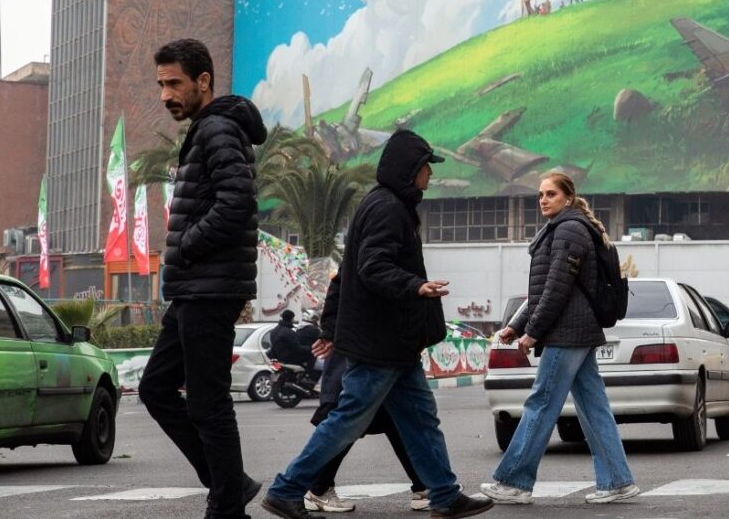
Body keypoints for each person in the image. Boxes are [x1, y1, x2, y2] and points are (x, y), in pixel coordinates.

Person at [261, 130, 492, 519]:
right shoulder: (387, 207)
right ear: (409, 170)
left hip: (394, 344)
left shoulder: (387, 204)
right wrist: (415, 285)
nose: (429, 177)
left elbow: (353, 272)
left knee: (420, 421)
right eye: (425, 169)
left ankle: (445, 495)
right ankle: (286, 489)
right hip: (380, 342)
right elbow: (372, 267)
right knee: (348, 419)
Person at [138, 38, 268, 518]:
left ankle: (226, 503)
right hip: (196, 288)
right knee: (155, 387)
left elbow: (238, 202)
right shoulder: (208, 130)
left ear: (203, 81)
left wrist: (188, 245)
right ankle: (228, 484)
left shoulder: (216, 129)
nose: (165, 94)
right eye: (161, 84)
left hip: (209, 287)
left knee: (209, 403)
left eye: (174, 83)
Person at [480, 172, 638, 506]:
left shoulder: (569, 229)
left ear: (568, 197)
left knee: (541, 402)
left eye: (550, 194)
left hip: (568, 332)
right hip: (577, 330)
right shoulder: (564, 228)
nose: (543, 200)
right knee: (594, 408)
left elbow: (557, 288)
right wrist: (516, 324)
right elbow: (542, 290)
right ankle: (617, 481)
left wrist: (532, 332)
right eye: (540, 195)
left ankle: (514, 481)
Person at [301, 277, 430, 513]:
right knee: (347, 423)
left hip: (378, 352)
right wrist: (330, 332)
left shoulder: (380, 250)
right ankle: (310, 488)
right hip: (359, 354)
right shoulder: (368, 250)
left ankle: (424, 487)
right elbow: (339, 293)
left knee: (398, 422)